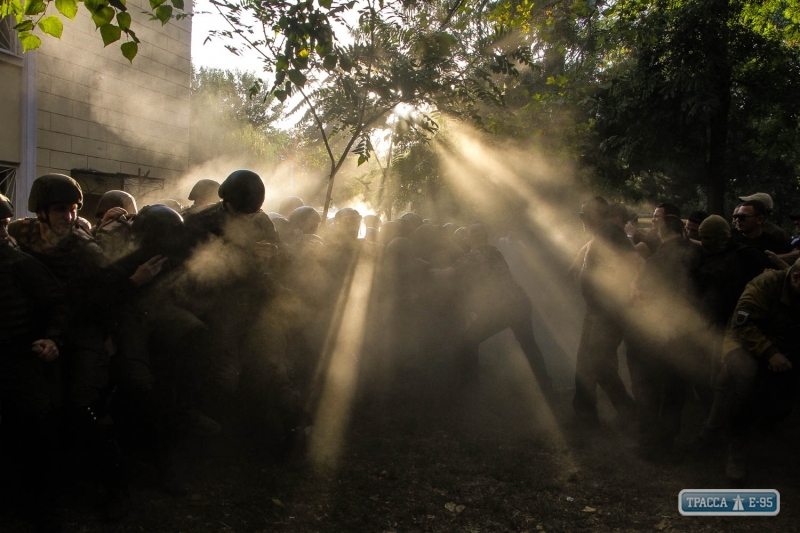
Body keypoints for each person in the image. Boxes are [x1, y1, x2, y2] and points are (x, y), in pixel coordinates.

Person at [693, 260, 800, 482]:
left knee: (782, 401)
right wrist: (771, 352)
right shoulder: (765, 284)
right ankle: (736, 452)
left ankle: (764, 433)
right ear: (796, 278)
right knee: (746, 381)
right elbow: (743, 325)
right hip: (745, 340)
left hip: (784, 346)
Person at [0, 193, 65, 532]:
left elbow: (58, 305)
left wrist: (53, 337)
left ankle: (43, 508)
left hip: (17, 360)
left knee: (36, 435)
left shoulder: (21, 264)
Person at [436, 224, 555, 399]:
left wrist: (430, 272)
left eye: (474, 233)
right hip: (518, 303)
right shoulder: (491, 252)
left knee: (468, 340)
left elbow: (450, 272)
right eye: (472, 233)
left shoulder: (483, 253)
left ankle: (471, 387)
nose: (472, 236)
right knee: (529, 345)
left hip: (504, 307)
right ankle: (547, 388)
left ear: (476, 237)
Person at [628, 215, 702, 458]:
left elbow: (643, 298)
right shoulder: (698, 253)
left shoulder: (656, 260)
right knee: (675, 388)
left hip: (661, 331)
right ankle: (670, 439)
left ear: (659, 233)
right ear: (683, 230)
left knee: (652, 387)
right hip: (689, 330)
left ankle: (652, 444)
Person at [573, 197, 639, 424]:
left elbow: (634, 263)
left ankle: (628, 410)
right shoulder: (600, 236)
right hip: (595, 310)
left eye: (583, 215)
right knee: (585, 361)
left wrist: (620, 292)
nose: (580, 219)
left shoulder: (611, 231)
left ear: (594, 214)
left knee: (598, 362)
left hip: (608, 311)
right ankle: (585, 413)